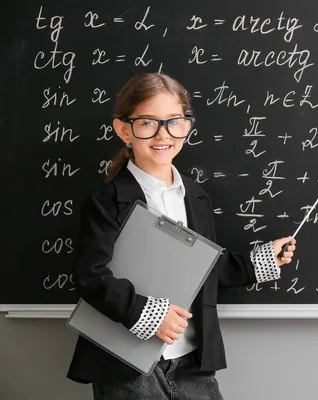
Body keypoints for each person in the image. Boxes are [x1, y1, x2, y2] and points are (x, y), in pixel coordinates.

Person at [66, 72, 296, 399]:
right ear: (123, 129)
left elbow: (205, 266)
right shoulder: (106, 201)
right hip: (126, 364)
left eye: (174, 121)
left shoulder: (196, 196)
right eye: (147, 122)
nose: (163, 134)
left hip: (190, 358)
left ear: (187, 126)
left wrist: (258, 262)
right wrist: (148, 315)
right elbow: (90, 276)